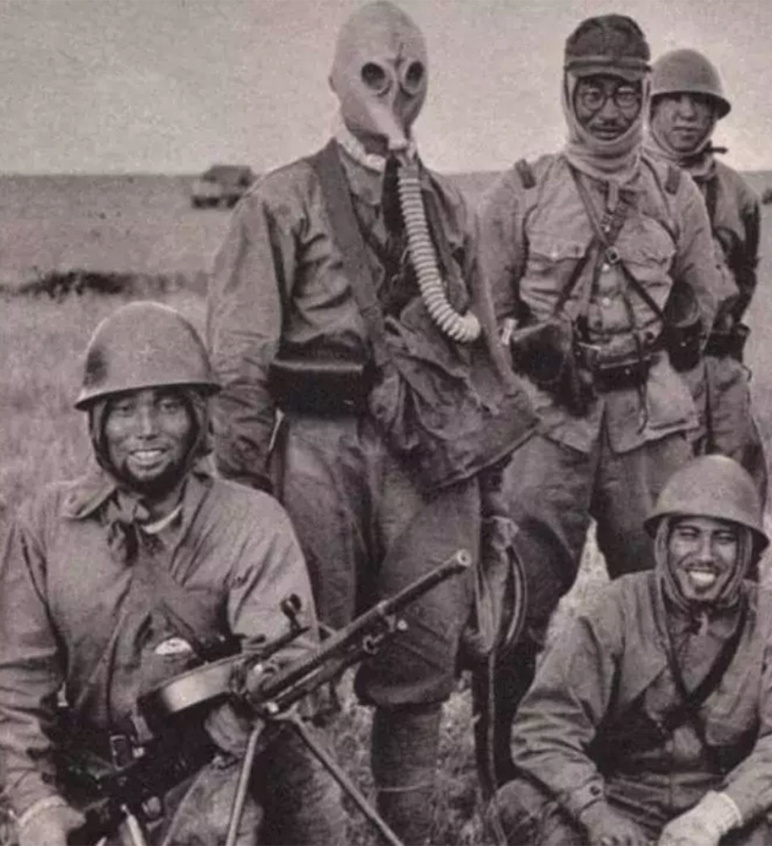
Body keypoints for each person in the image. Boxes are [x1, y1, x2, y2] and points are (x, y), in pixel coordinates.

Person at [206, 3, 537, 840]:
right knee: (298, 663)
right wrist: (240, 504)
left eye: (412, 75)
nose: (395, 92)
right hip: (316, 457)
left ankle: (408, 831)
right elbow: (240, 362)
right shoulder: (280, 202)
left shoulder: (447, 208)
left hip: (431, 457)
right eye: (374, 75)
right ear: (336, 80)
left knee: (423, 664)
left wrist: (492, 504)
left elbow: (483, 363)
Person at [476, 14, 727, 788]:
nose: (609, 111)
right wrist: (529, 344)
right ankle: (506, 775)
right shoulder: (522, 192)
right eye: (592, 92)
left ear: (645, 94)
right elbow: (482, 317)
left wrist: (668, 333)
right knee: (514, 605)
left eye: (624, 93)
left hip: (647, 426)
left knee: (664, 601)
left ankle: (651, 771)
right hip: (546, 429)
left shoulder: (676, 193)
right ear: (567, 92)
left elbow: (702, 298)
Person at [0, 302, 335, 846]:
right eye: (124, 410)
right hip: (86, 779)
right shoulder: (44, 526)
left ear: (198, 418)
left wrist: (239, 716)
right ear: (98, 423)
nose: (147, 430)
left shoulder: (251, 522)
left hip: (214, 767)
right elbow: (15, 684)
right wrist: (36, 802)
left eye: (168, 406)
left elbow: (286, 660)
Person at [488, 455, 772, 846]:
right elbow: (546, 726)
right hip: (619, 803)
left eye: (724, 538)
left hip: (730, 810)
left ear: (746, 549)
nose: (704, 554)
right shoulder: (616, 608)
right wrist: (595, 812)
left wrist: (716, 817)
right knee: (516, 802)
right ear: (665, 541)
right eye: (688, 534)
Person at [644, 48, 768, 505]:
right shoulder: (629, 182)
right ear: (651, 108)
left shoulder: (738, 193)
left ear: (716, 114)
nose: (687, 114)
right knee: (667, 495)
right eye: (674, 101)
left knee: (739, 489)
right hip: (659, 370)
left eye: (700, 103)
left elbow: (744, 275)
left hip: (722, 364)